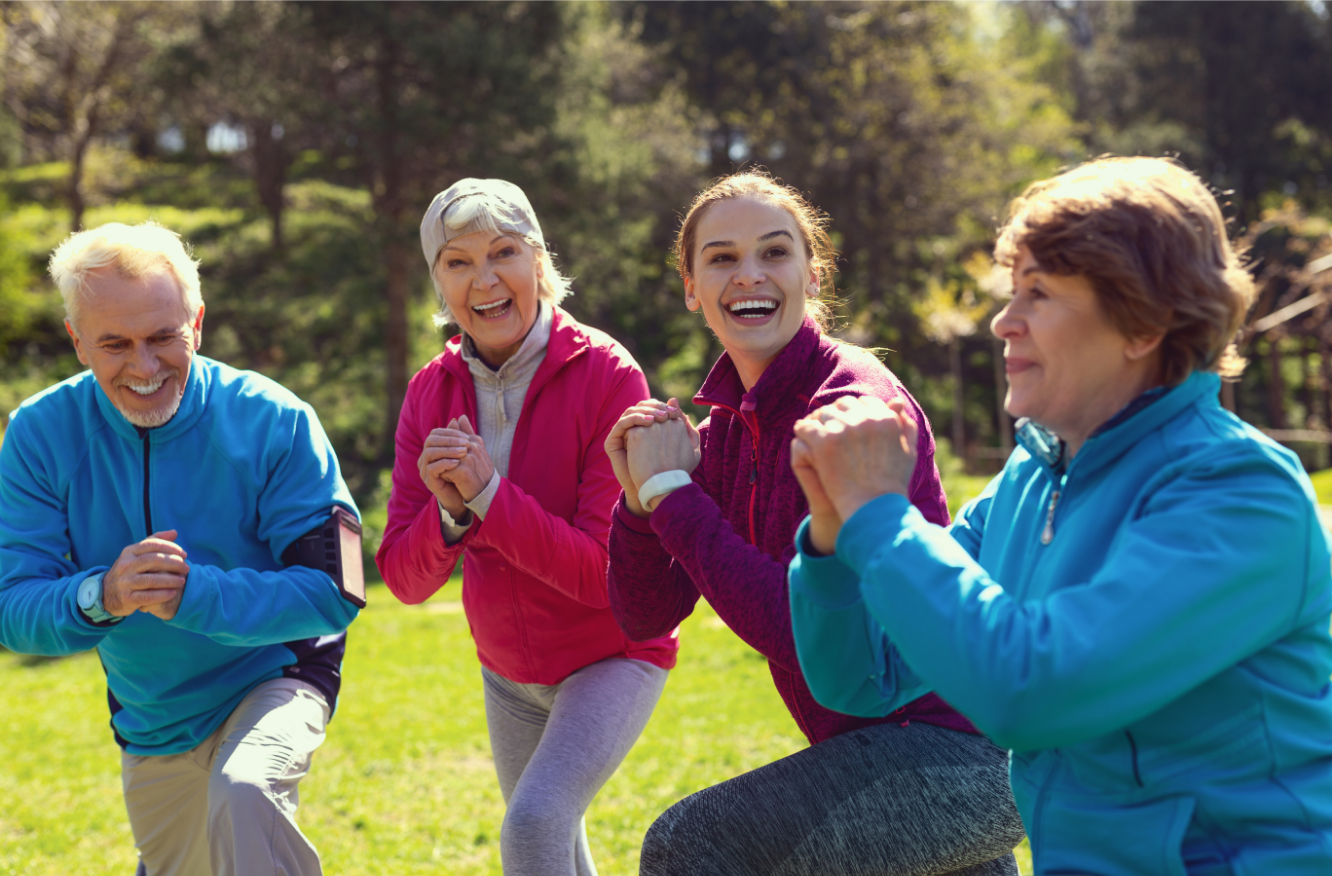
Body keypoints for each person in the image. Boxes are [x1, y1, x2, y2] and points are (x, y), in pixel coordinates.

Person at [788, 156, 1332, 875]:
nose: (1003, 321)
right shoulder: (1033, 475)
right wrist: (833, 536)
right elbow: (864, 677)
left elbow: (1031, 693)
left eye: (1038, 294)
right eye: (1012, 290)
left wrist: (883, 516)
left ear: (1145, 322)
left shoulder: (1239, 494)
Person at [605, 171, 1025, 876]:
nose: (749, 274)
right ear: (691, 287)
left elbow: (804, 633)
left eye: (774, 252)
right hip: (893, 753)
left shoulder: (850, 410)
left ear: (813, 273)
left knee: (690, 845)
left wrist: (672, 491)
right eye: (722, 257)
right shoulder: (729, 432)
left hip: (953, 749)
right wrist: (641, 506)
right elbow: (644, 613)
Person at [0, 221, 362, 876]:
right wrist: (103, 594)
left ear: (197, 322)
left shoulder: (276, 419)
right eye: (115, 344)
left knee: (246, 791)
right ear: (77, 341)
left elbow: (338, 590)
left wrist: (194, 594)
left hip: (275, 674)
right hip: (153, 715)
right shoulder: (37, 434)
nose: (144, 367)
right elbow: (12, 606)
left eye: (163, 337)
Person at [376, 178, 677, 876]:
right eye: (458, 262)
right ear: (439, 283)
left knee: (534, 826)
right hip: (507, 674)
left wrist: (487, 493)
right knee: (556, 847)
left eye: (504, 252)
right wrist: (450, 515)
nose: (484, 279)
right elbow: (402, 578)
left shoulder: (608, 374)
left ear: (539, 260)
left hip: (612, 655)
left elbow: (605, 575)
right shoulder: (429, 391)